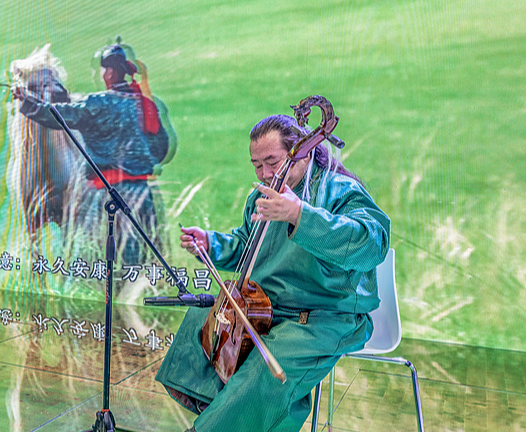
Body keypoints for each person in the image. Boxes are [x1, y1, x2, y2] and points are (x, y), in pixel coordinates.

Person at [155, 114, 390, 432]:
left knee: (265, 370)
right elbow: (247, 247)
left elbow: (372, 242)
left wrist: (299, 215)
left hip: (324, 316)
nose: (265, 174)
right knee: (202, 326)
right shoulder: (261, 197)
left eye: (272, 162)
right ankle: (230, 417)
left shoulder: (340, 190)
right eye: (256, 165)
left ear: (301, 153)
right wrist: (211, 242)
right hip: (264, 308)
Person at [12, 42, 171, 264]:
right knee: (147, 260)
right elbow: (161, 149)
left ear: (110, 73)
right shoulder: (145, 105)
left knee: (97, 264)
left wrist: (26, 100)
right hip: (142, 194)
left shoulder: (98, 104)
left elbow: (58, 115)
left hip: (107, 195)